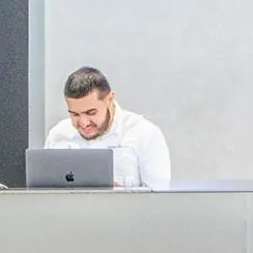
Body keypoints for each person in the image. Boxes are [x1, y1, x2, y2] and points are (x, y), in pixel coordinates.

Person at [43, 66, 171, 189]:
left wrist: (119, 197)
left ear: (110, 100)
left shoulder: (145, 134)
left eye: (91, 113)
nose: (84, 123)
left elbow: (158, 201)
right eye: (74, 114)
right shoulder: (58, 135)